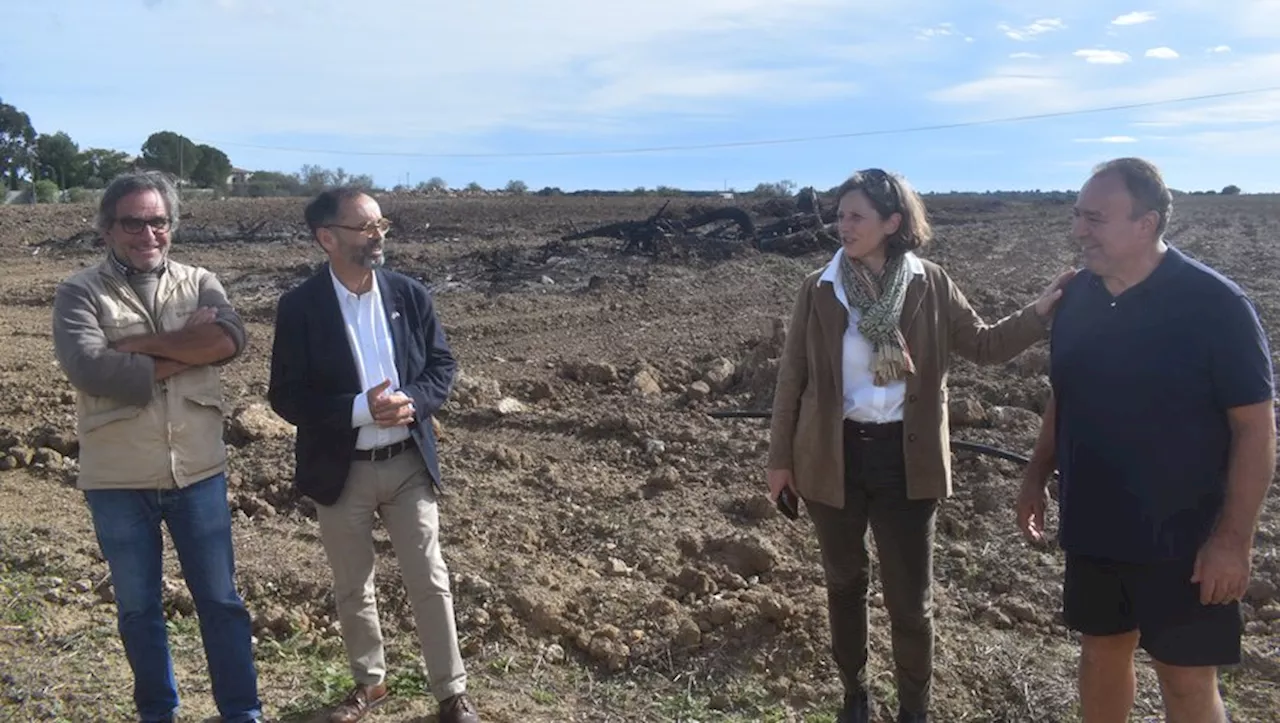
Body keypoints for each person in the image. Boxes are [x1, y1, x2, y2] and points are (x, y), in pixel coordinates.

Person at [766, 168, 1074, 723]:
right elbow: (793, 377)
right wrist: (780, 461)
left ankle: (915, 710)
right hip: (830, 457)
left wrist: (1040, 311)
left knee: (911, 602)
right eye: (840, 215)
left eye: (856, 215)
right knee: (844, 583)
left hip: (906, 461)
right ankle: (855, 694)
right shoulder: (820, 288)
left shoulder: (929, 283)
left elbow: (984, 344)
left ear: (893, 222)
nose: (843, 225)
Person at [1016, 157, 1275, 723]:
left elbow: (1255, 427)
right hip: (1096, 526)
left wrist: (1232, 540)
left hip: (1184, 537)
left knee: (1185, 681)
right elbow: (1066, 396)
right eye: (1077, 215)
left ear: (1146, 223)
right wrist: (1036, 475)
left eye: (1095, 218)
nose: (1079, 230)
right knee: (1101, 657)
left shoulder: (1215, 306)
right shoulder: (1077, 299)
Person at [50, 170, 262, 723]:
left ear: (172, 225)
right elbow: (90, 369)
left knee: (221, 602)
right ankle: (157, 712)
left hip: (199, 471)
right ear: (107, 229)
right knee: (139, 608)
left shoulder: (200, 281)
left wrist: (134, 349)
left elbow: (229, 340)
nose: (148, 233)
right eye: (133, 222)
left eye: (159, 221)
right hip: (117, 477)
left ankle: (241, 712)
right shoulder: (79, 291)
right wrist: (186, 348)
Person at [267, 186, 479, 723]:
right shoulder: (299, 308)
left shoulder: (409, 295)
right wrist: (361, 409)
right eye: (366, 227)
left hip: (407, 463)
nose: (378, 235)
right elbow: (287, 396)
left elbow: (442, 367)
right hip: (343, 469)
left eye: (381, 224)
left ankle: (451, 694)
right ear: (327, 238)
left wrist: (415, 401)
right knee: (352, 584)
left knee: (430, 576)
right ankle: (369, 684)